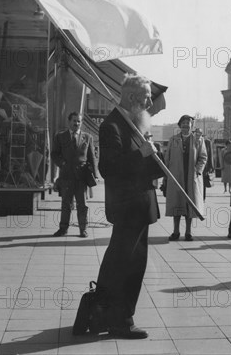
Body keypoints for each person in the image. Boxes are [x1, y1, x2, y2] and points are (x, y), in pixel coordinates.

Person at [95, 74, 163, 339]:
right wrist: (140, 154)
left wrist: (153, 157)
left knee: (130, 262)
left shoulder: (134, 124)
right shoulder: (112, 125)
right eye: (146, 97)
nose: (149, 102)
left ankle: (109, 313)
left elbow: (144, 169)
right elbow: (108, 168)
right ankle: (120, 320)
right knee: (125, 264)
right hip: (127, 207)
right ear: (133, 97)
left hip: (140, 207)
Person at [51, 112, 96, 238]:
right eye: (74, 121)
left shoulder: (87, 137)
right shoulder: (60, 137)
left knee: (82, 205)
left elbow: (92, 157)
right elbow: (54, 154)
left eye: (79, 121)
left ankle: (83, 229)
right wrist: (62, 163)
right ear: (69, 122)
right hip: (66, 176)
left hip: (81, 177)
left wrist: (95, 174)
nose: (76, 123)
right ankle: (63, 229)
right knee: (66, 204)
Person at [165, 115, 207, 241]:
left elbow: (203, 157)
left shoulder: (198, 140)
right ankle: (176, 231)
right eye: (183, 123)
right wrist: (167, 174)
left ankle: (188, 232)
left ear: (191, 126)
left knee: (190, 204)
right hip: (176, 176)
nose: (185, 126)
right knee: (176, 203)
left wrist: (198, 171)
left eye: (188, 123)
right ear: (179, 125)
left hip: (191, 176)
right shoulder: (173, 140)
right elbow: (168, 157)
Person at [194, 128, 214, 201]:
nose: (198, 134)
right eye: (196, 132)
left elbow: (210, 154)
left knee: (203, 183)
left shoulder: (207, 142)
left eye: (199, 133)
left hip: (204, 166)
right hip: (195, 165)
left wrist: (211, 166)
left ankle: (203, 198)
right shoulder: (193, 141)